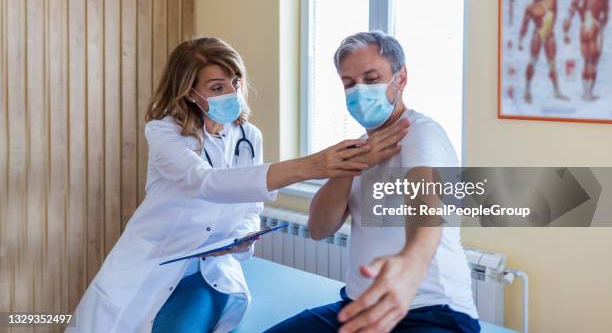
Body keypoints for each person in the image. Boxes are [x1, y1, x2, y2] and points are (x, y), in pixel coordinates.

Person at [69, 37, 404, 333]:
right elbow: (205, 182)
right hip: (155, 260)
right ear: (190, 93)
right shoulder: (164, 131)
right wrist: (312, 165)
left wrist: (243, 239)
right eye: (217, 87)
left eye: (235, 81)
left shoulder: (248, 136)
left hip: (210, 268)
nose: (232, 92)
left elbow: (250, 206)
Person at [265, 31, 480, 333]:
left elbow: (428, 203)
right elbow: (318, 228)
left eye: (371, 78)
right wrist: (353, 164)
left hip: (432, 311)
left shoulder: (421, 134)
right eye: (349, 83)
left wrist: (411, 263)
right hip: (357, 305)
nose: (359, 91)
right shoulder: (360, 148)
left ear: (400, 78)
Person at [519, 0, 573, 103]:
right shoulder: (531, 7)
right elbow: (524, 24)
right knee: (533, 61)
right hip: (537, 34)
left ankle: (557, 92)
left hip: (550, 35)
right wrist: (521, 39)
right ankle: (527, 91)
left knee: (552, 63)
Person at [563, 0, 609, 101]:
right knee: (593, 62)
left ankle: (586, 92)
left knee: (586, 61)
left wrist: (565, 33)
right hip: (594, 28)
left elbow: (567, 19)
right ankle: (589, 93)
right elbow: (605, 16)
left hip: (584, 29)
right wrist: (601, 27)